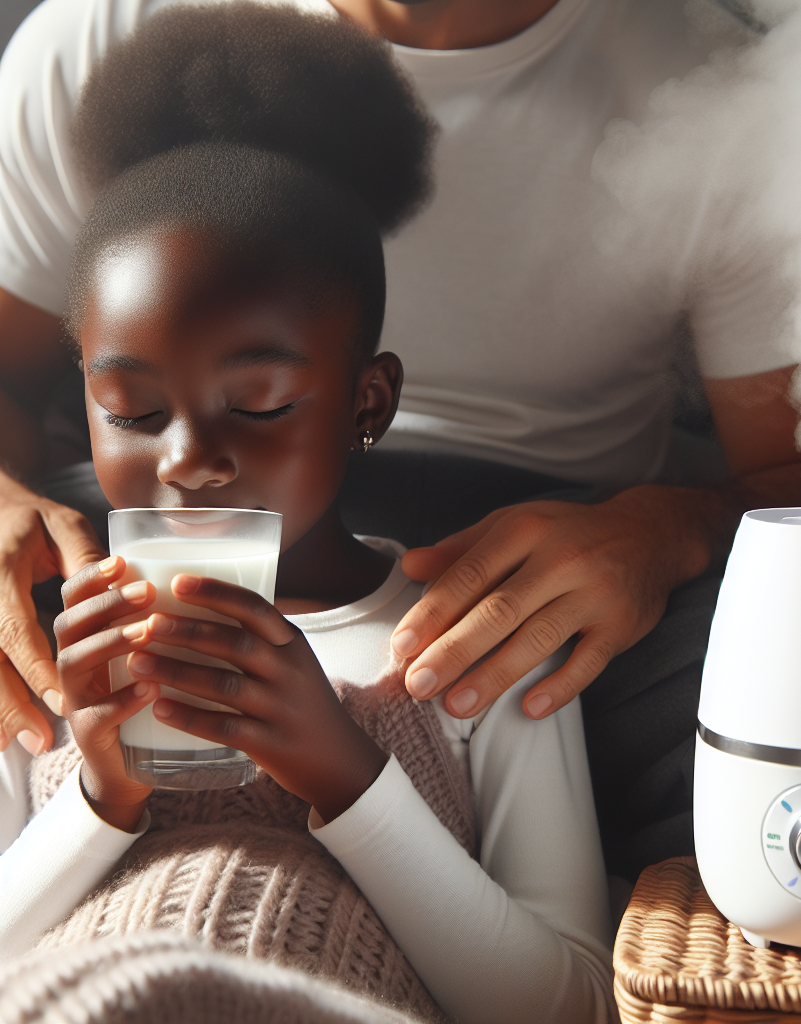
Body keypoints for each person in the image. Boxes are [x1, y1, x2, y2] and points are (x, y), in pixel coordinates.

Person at [0, 0, 801, 880]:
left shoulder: (720, 91)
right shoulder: (109, 35)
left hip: (541, 613)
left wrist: (661, 530)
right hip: (146, 544)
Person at [0, 8, 615, 1023]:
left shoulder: (469, 647)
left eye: (259, 405)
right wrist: (101, 794)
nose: (190, 459)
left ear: (366, 403)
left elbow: (574, 1006)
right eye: (134, 412)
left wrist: (348, 773)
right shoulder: (47, 642)